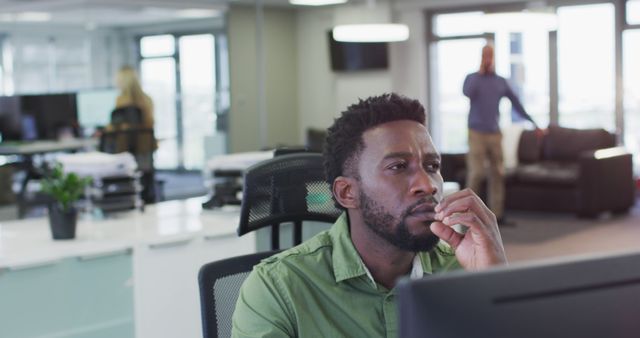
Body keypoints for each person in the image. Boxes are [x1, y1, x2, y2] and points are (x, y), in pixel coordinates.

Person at [232, 93, 507, 337]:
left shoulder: (465, 271)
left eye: (432, 165)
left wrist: (497, 286)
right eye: (398, 166)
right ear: (347, 193)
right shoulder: (277, 290)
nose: (428, 185)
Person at [463, 44, 540, 224]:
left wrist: (534, 123)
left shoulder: (500, 81)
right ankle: (467, 216)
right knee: (476, 173)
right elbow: (467, 92)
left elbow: (517, 103)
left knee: (498, 173)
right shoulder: (472, 78)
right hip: (476, 132)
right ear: (482, 56)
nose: (488, 58)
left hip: (495, 133)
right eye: (485, 55)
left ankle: (497, 215)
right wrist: (481, 72)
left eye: (491, 55)